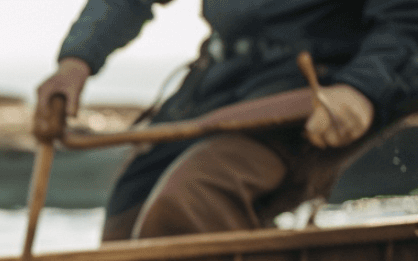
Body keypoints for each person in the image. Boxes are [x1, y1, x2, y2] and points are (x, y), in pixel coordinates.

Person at [35, 0, 418, 241]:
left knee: (194, 197)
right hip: (218, 84)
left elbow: (405, 20)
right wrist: (76, 61)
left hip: (315, 94)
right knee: (127, 209)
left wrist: (364, 89)